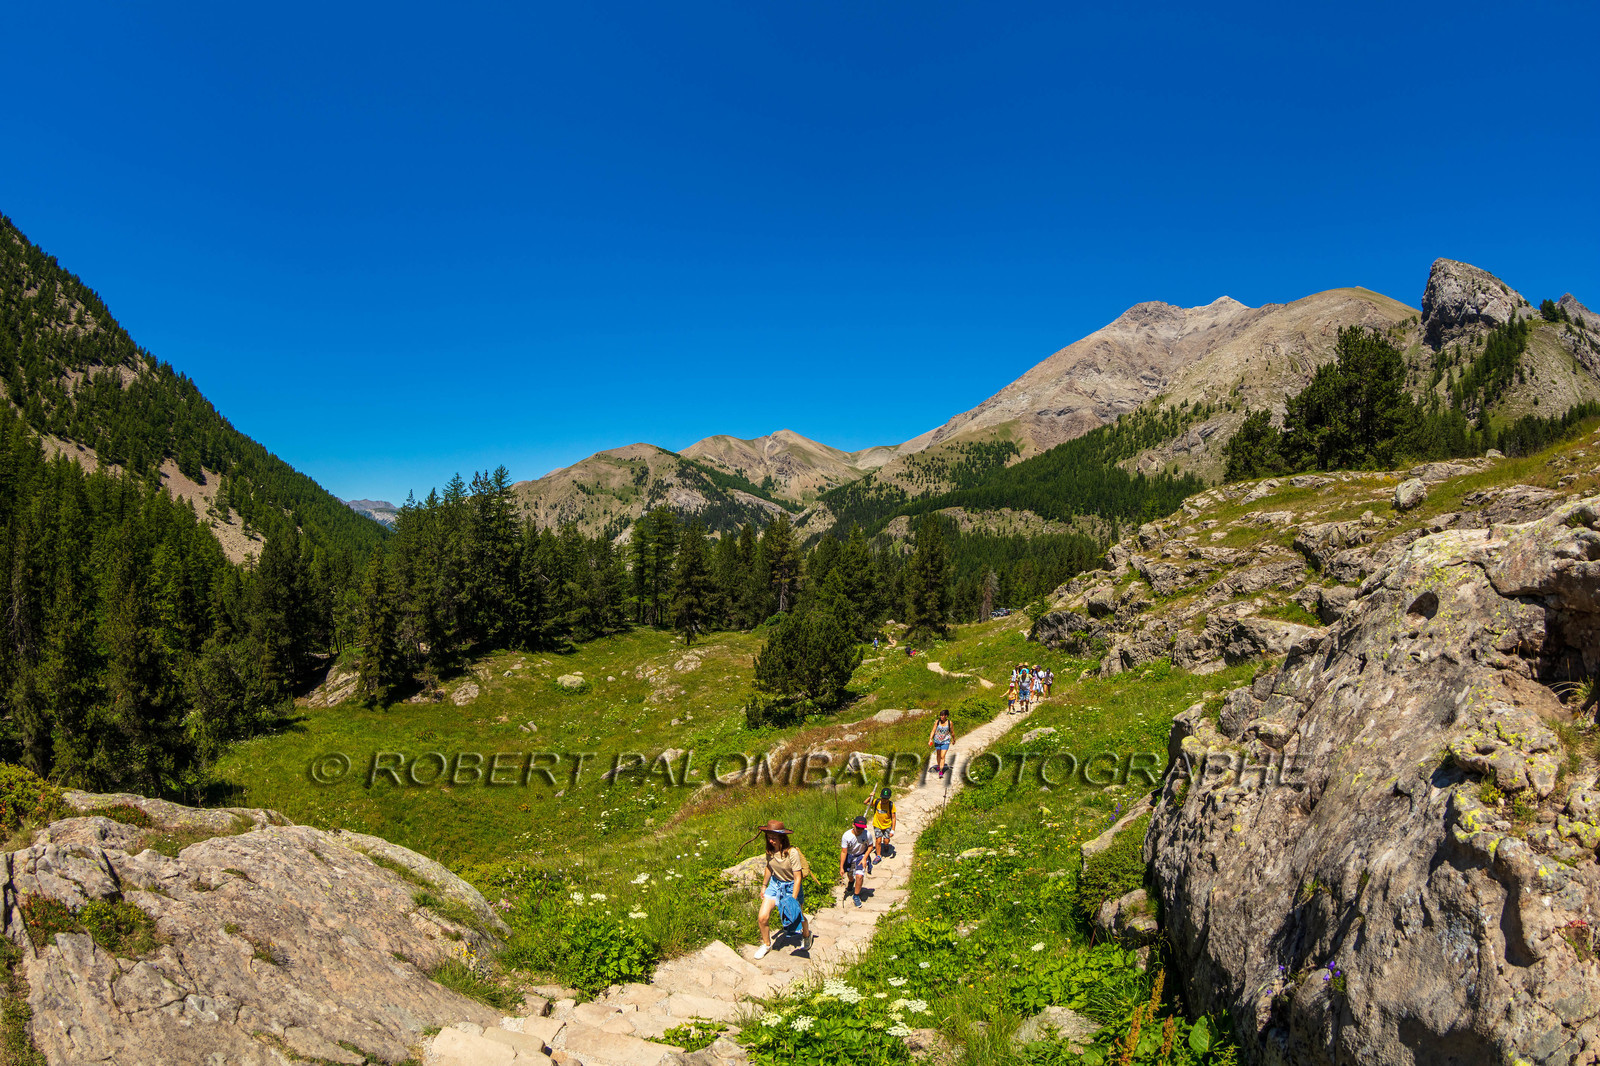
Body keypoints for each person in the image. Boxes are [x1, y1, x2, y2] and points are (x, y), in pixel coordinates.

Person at [752, 820, 812, 959]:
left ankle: (806, 935)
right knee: (762, 917)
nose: (771, 840)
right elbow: (769, 867)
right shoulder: (769, 850)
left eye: (774, 838)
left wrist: (792, 900)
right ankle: (767, 944)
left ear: (782, 838)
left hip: (791, 886)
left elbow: (798, 877)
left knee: (797, 915)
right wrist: (764, 886)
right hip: (775, 885)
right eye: (769, 837)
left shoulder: (792, 853)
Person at [840, 816, 871, 906]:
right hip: (850, 856)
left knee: (859, 875)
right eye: (858, 828)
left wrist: (865, 858)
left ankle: (856, 895)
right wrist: (841, 867)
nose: (860, 830)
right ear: (853, 825)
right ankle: (851, 881)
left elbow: (870, 846)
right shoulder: (846, 836)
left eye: (862, 828)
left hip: (861, 856)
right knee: (850, 874)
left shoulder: (867, 834)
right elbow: (844, 852)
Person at [868, 788, 896, 861]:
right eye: (883, 798)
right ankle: (878, 856)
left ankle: (886, 845)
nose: (884, 800)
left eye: (886, 799)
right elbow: (865, 802)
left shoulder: (891, 805)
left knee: (886, 841)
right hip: (877, 824)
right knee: (878, 840)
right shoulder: (877, 802)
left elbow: (893, 818)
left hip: (887, 825)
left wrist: (893, 830)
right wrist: (870, 797)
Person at [927, 709, 954, 777]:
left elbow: (952, 732)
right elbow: (933, 731)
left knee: (942, 756)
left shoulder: (949, 723)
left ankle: (941, 771)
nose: (941, 717)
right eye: (940, 715)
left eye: (942, 715)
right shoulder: (937, 722)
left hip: (945, 741)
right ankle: (939, 766)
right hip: (937, 741)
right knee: (938, 755)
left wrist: (954, 739)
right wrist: (930, 739)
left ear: (946, 716)